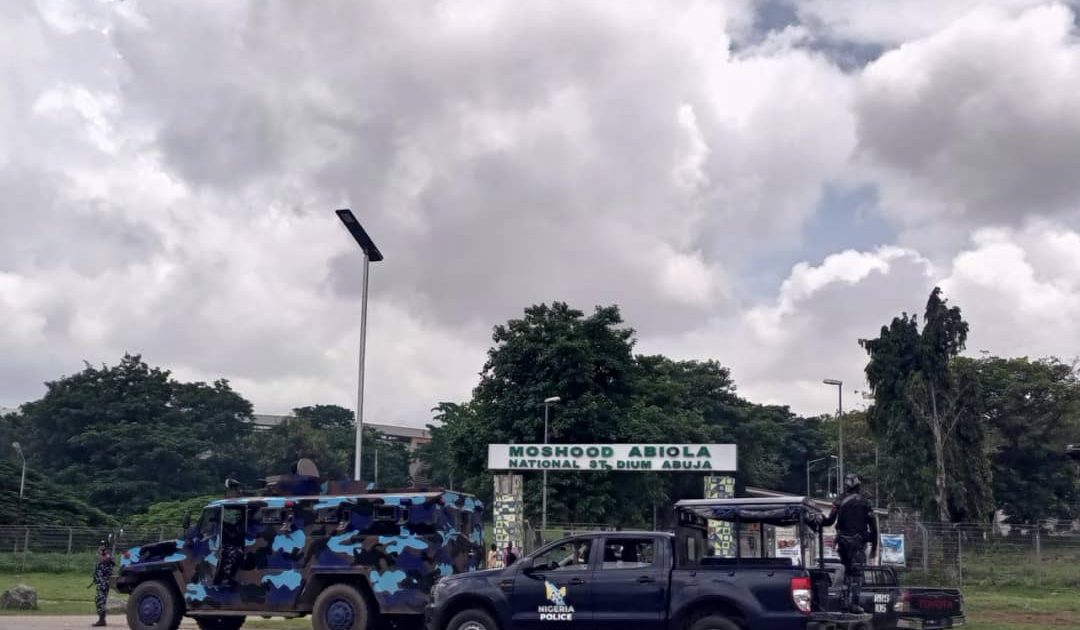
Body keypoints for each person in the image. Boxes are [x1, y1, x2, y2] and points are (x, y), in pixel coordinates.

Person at [818, 473, 878, 613]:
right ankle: (854, 604)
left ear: (846, 486)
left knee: (847, 573)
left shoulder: (839, 501)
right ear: (858, 486)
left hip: (843, 544)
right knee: (857, 575)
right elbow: (873, 527)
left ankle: (845, 603)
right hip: (858, 545)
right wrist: (874, 546)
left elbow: (829, 521)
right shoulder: (866, 503)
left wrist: (817, 519)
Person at [91, 540, 115, 627]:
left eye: (102, 545)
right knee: (99, 600)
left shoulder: (108, 554)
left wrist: (100, 554)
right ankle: (101, 619)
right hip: (100, 582)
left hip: (104, 582)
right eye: (100, 544)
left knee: (100, 600)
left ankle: (102, 620)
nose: (100, 546)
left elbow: (106, 560)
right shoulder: (103, 554)